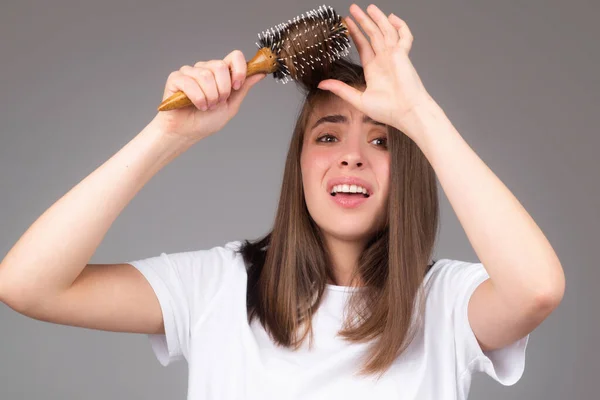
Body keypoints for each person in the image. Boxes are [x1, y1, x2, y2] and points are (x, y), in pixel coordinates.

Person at [0, 3, 564, 400]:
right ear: (299, 164)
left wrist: (420, 116)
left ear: (412, 167)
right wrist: (166, 137)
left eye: (381, 139)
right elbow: (27, 285)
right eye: (327, 136)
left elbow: (536, 288)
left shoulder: (445, 303)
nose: (351, 157)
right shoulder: (216, 288)